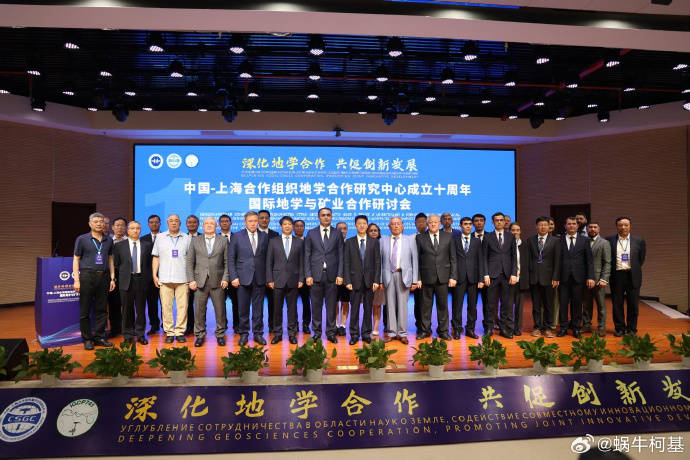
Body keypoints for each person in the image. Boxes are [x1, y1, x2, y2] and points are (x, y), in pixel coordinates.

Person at [72, 212, 115, 350]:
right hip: (87, 276)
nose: (99, 224)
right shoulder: (82, 239)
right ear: (90, 224)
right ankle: (87, 339)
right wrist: (76, 280)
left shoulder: (109, 240)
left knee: (102, 309)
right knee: (85, 309)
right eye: (95, 221)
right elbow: (76, 259)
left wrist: (112, 278)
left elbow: (110, 259)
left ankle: (100, 337)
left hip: (104, 277)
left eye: (101, 221)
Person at [228, 211, 269, 346]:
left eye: (255, 221)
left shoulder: (264, 236)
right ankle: (244, 334)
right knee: (243, 309)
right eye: (250, 221)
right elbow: (231, 258)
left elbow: (267, 258)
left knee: (258, 309)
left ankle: (258, 333)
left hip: (260, 278)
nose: (253, 223)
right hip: (242, 278)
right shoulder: (237, 236)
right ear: (245, 222)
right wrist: (233, 276)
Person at [186, 217, 229, 347]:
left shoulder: (223, 240)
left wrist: (225, 278)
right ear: (202, 226)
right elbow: (190, 261)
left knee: (220, 310)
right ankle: (200, 335)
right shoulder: (195, 240)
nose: (209, 225)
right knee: (199, 310)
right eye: (206, 224)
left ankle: (220, 334)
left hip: (218, 281)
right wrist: (191, 280)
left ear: (216, 226)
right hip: (200, 281)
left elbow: (227, 261)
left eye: (212, 224)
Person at [304, 207, 344, 343]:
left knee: (331, 306)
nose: (326, 217)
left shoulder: (337, 233)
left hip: (332, 276)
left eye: (328, 215)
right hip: (315, 276)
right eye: (323, 215)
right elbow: (307, 255)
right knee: (316, 306)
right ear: (318, 217)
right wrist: (308, 275)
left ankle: (331, 332)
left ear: (331, 217)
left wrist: (340, 274)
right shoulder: (311, 233)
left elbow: (341, 255)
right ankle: (316, 332)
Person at [152, 214, 192, 343]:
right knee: (166, 307)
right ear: (167, 223)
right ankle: (169, 332)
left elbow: (191, 259)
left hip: (183, 278)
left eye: (176, 221)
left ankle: (180, 332)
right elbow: (156, 257)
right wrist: (154, 275)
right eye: (171, 221)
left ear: (180, 223)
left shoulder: (187, 238)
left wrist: (191, 278)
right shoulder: (160, 237)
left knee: (182, 307)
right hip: (165, 278)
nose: (173, 223)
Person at [416, 214, 456, 340]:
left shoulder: (448, 237)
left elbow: (453, 258)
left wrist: (453, 276)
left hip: (443, 277)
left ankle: (443, 331)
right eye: (430, 222)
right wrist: (418, 278)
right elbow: (417, 260)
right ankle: (425, 330)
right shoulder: (420, 238)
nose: (433, 224)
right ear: (427, 224)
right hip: (426, 277)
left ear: (440, 224)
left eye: (435, 222)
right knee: (425, 307)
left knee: (443, 306)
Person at [380, 217, 418, 344]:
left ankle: (402, 333)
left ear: (402, 226)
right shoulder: (383, 240)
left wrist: (414, 280)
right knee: (390, 305)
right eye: (393, 224)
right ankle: (391, 332)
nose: (396, 226)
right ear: (389, 226)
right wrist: (380, 280)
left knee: (402, 306)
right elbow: (379, 262)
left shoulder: (410, 240)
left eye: (398, 224)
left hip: (404, 275)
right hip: (388, 276)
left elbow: (414, 260)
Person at [266, 216, 304, 345]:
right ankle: (277, 334)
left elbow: (302, 262)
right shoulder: (273, 241)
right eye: (285, 224)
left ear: (292, 226)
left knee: (292, 309)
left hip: (294, 280)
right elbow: (269, 262)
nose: (287, 226)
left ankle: (292, 334)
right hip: (277, 280)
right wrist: (270, 279)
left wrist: (301, 278)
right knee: (277, 309)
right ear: (281, 226)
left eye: (289, 224)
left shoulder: (299, 242)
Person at [113, 220, 152, 345]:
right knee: (126, 310)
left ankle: (140, 334)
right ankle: (128, 335)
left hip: (141, 280)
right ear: (128, 230)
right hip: (126, 281)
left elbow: (150, 264)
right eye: (132, 228)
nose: (135, 230)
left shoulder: (147, 245)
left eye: (138, 228)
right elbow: (116, 264)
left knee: (141, 310)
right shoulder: (119, 246)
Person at [344, 215, 381, 344]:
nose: (362, 226)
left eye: (364, 223)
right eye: (359, 223)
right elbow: (346, 263)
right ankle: (354, 335)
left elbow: (377, 262)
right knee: (354, 309)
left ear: (367, 225)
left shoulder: (374, 242)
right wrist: (347, 281)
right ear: (355, 225)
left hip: (370, 281)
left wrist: (376, 280)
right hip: (354, 281)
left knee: (368, 309)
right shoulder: (349, 242)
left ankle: (366, 334)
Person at [607, 217, 646, 337]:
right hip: (616, 276)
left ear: (630, 226)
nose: (623, 227)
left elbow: (641, 259)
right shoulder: (609, 240)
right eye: (620, 225)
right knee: (617, 304)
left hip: (632, 275)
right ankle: (619, 328)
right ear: (617, 226)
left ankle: (632, 329)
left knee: (633, 305)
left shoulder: (639, 241)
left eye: (626, 225)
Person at [557, 217, 595, 338]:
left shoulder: (585, 240)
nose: (571, 226)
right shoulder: (559, 240)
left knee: (577, 304)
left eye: (574, 224)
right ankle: (563, 327)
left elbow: (589, 260)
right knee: (563, 304)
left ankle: (576, 328)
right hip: (563, 278)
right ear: (565, 226)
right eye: (569, 224)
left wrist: (590, 277)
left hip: (579, 278)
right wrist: (555, 277)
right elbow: (557, 260)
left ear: (577, 226)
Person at [483, 212, 518, 338]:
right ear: (493, 222)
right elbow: (484, 257)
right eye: (496, 220)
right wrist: (485, 274)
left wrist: (514, 273)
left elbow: (514, 256)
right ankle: (489, 328)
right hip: (492, 275)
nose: (499, 222)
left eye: (501, 220)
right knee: (490, 304)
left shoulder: (510, 236)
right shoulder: (487, 237)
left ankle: (504, 329)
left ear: (504, 222)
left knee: (506, 304)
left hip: (507, 275)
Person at [528, 216, 561, 338]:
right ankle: (537, 327)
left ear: (549, 226)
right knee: (536, 305)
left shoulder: (555, 241)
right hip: (534, 277)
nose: (543, 227)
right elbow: (528, 260)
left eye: (545, 225)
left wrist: (556, 277)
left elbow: (557, 260)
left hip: (549, 278)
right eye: (540, 225)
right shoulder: (530, 240)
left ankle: (548, 328)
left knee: (549, 305)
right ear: (536, 226)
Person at [452, 217, 485, 340]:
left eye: (470, 224)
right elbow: (452, 260)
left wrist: (481, 279)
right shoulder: (454, 240)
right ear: (460, 226)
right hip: (459, 278)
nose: (468, 226)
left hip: (473, 278)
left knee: (472, 306)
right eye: (465, 224)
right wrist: (452, 276)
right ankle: (457, 329)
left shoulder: (477, 241)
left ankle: (470, 329)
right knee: (457, 305)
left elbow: (480, 260)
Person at [584, 222, 611, 336]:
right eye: (590, 227)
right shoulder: (584, 242)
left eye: (595, 227)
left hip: (599, 280)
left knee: (601, 305)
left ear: (599, 229)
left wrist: (604, 279)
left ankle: (601, 327)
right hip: (585, 279)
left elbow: (607, 262)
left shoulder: (604, 243)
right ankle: (586, 325)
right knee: (586, 304)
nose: (592, 229)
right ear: (587, 229)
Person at [258, 209, 279, 334]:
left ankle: (273, 326)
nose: (264, 220)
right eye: (261, 218)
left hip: (273, 275)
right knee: (258, 304)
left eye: (266, 218)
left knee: (273, 303)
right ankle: (258, 329)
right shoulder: (253, 234)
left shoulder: (275, 235)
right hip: (258, 275)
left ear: (269, 219)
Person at [141, 214, 162, 335]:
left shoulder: (166, 237)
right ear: (148, 224)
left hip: (165, 275)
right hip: (149, 277)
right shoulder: (143, 239)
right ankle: (154, 325)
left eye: (156, 222)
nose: (154, 224)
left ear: (160, 223)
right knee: (152, 303)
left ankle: (166, 325)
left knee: (165, 303)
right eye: (151, 222)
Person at [218, 214, 239, 333]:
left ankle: (237, 325)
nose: (225, 223)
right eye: (222, 221)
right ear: (219, 224)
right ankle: (223, 325)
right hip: (220, 275)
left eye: (227, 221)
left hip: (235, 276)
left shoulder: (237, 237)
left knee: (237, 302)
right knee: (220, 303)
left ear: (231, 223)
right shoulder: (215, 238)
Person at [508, 222, 530, 336]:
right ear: (509, 231)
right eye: (513, 230)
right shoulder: (506, 245)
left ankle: (517, 328)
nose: (515, 232)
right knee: (508, 305)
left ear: (520, 231)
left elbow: (528, 262)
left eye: (517, 230)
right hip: (509, 279)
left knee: (519, 306)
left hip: (521, 279)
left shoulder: (525, 245)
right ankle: (509, 327)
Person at [107, 216, 127, 337]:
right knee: (113, 303)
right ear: (112, 227)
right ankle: (115, 328)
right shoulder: (107, 241)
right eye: (117, 225)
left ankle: (128, 328)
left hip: (127, 275)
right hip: (112, 275)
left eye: (122, 225)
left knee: (127, 303)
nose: (120, 228)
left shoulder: (130, 241)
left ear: (126, 228)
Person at [367, 223, 387, 337]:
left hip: (379, 280)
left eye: (376, 230)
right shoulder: (364, 243)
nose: (373, 232)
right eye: (371, 230)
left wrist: (380, 280)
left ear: (379, 232)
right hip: (366, 280)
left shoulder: (383, 244)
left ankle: (375, 328)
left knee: (377, 305)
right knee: (368, 305)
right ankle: (367, 327)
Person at [184, 214, 202, 336]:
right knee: (188, 303)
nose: (192, 224)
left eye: (194, 222)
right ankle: (190, 326)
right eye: (189, 222)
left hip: (201, 274)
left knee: (201, 303)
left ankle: (200, 326)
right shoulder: (182, 238)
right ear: (186, 224)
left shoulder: (203, 237)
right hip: (186, 275)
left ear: (198, 224)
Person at [293, 219, 311, 334]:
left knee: (306, 301)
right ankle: (294, 324)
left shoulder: (308, 241)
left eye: (301, 226)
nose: (299, 228)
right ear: (293, 228)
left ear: (304, 228)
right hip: (292, 276)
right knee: (292, 302)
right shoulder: (290, 240)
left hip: (306, 277)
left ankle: (306, 324)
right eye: (297, 226)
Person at [335, 221, 350, 337]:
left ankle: (343, 326)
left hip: (347, 278)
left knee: (345, 302)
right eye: (339, 229)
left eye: (344, 228)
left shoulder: (350, 243)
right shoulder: (331, 243)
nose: (342, 231)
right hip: (333, 278)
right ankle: (335, 325)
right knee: (334, 302)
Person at [413, 212, 427, 333]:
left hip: (430, 276)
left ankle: (427, 326)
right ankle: (419, 326)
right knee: (418, 303)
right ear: (415, 224)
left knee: (428, 304)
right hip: (416, 276)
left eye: (424, 222)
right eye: (419, 222)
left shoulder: (431, 236)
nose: (422, 224)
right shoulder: (411, 238)